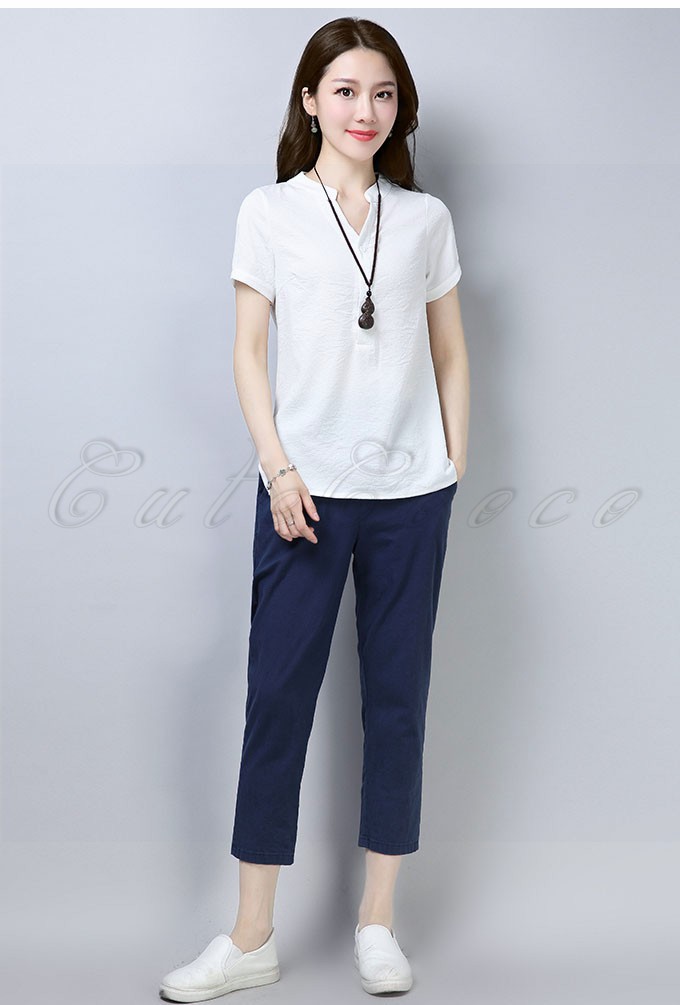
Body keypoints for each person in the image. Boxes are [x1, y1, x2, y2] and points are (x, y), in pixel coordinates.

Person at [159, 15, 469, 1002]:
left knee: (398, 704)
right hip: (302, 493)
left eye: (382, 93)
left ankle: (378, 922)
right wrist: (277, 466)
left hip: (409, 497)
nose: (364, 110)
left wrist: (450, 468)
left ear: (398, 108)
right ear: (309, 101)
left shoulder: (425, 221)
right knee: (277, 704)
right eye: (345, 91)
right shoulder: (270, 212)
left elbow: (451, 353)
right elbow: (248, 350)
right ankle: (251, 935)